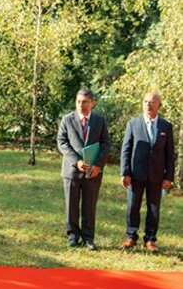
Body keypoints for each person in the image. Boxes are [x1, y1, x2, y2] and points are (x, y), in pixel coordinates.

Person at [120, 92, 175, 253]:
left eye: (152, 102)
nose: (148, 105)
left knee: (153, 208)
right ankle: (131, 236)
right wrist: (124, 173)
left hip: (157, 175)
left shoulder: (166, 127)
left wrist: (168, 176)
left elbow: (170, 154)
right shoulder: (133, 124)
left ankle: (150, 239)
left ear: (159, 105)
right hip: (135, 174)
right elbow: (126, 150)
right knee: (133, 206)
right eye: (145, 102)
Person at [57, 89, 111, 250]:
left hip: (92, 171)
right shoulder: (67, 119)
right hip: (72, 170)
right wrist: (76, 161)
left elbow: (106, 144)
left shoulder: (99, 121)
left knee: (89, 206)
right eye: (79, 101)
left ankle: (88, 238)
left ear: (92, 103)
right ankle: (73, 236)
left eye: (85, 102)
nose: (81, 105)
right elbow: (62, 142)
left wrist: (98, 166)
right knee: (71, 205)